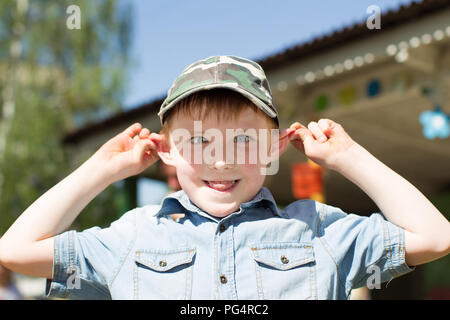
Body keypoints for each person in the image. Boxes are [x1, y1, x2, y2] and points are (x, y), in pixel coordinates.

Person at [0, 55, 449, 299]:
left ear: (275, 149)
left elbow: (435, 236)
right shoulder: (133, 236)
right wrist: (101, 170)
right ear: (168, 151)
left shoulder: (317, 230)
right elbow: (14, 250)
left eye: (243, 141)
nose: (220, 160)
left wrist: (350, 158)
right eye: (198, 142)